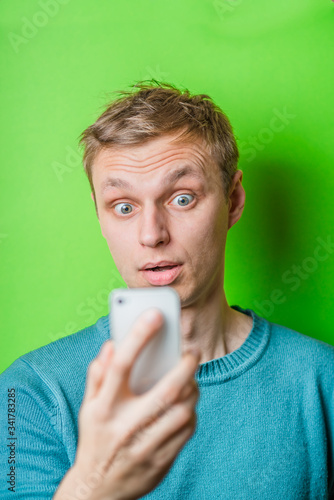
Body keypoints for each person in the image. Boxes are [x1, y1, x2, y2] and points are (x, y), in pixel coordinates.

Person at [0, 80, 333, 500]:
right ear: (100, 217)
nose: (152, 235)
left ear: (232, 200)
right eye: (124, 206)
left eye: (181, 198)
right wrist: (94, 487)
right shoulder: (28, 393)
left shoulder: (323, 381)